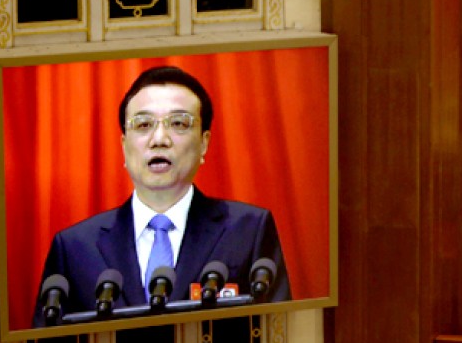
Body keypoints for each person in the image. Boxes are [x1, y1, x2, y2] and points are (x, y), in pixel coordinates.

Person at [32, 65, 291, 326]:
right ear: (124, 145)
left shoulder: (248, 230)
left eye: (178, 123)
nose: (159, 139)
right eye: (143, 124)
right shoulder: (75, 247)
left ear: (204, 142)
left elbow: (278, 333)